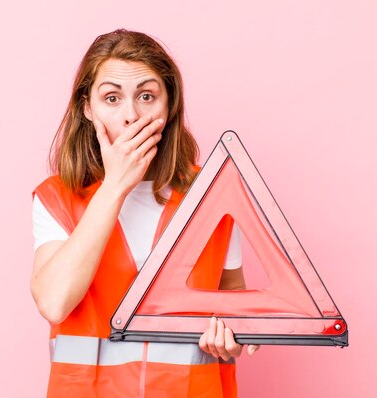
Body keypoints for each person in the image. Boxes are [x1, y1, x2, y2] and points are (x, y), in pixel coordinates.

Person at [30, 28, 259, 397]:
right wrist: (116, 185)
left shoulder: (211, 194)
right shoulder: (57, 198)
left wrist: (235, 333)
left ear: (169, 107)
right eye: (112, 98)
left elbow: (231, 293)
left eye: (147, 96)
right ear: (87, 107)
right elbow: (55, 302)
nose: (131, 116)